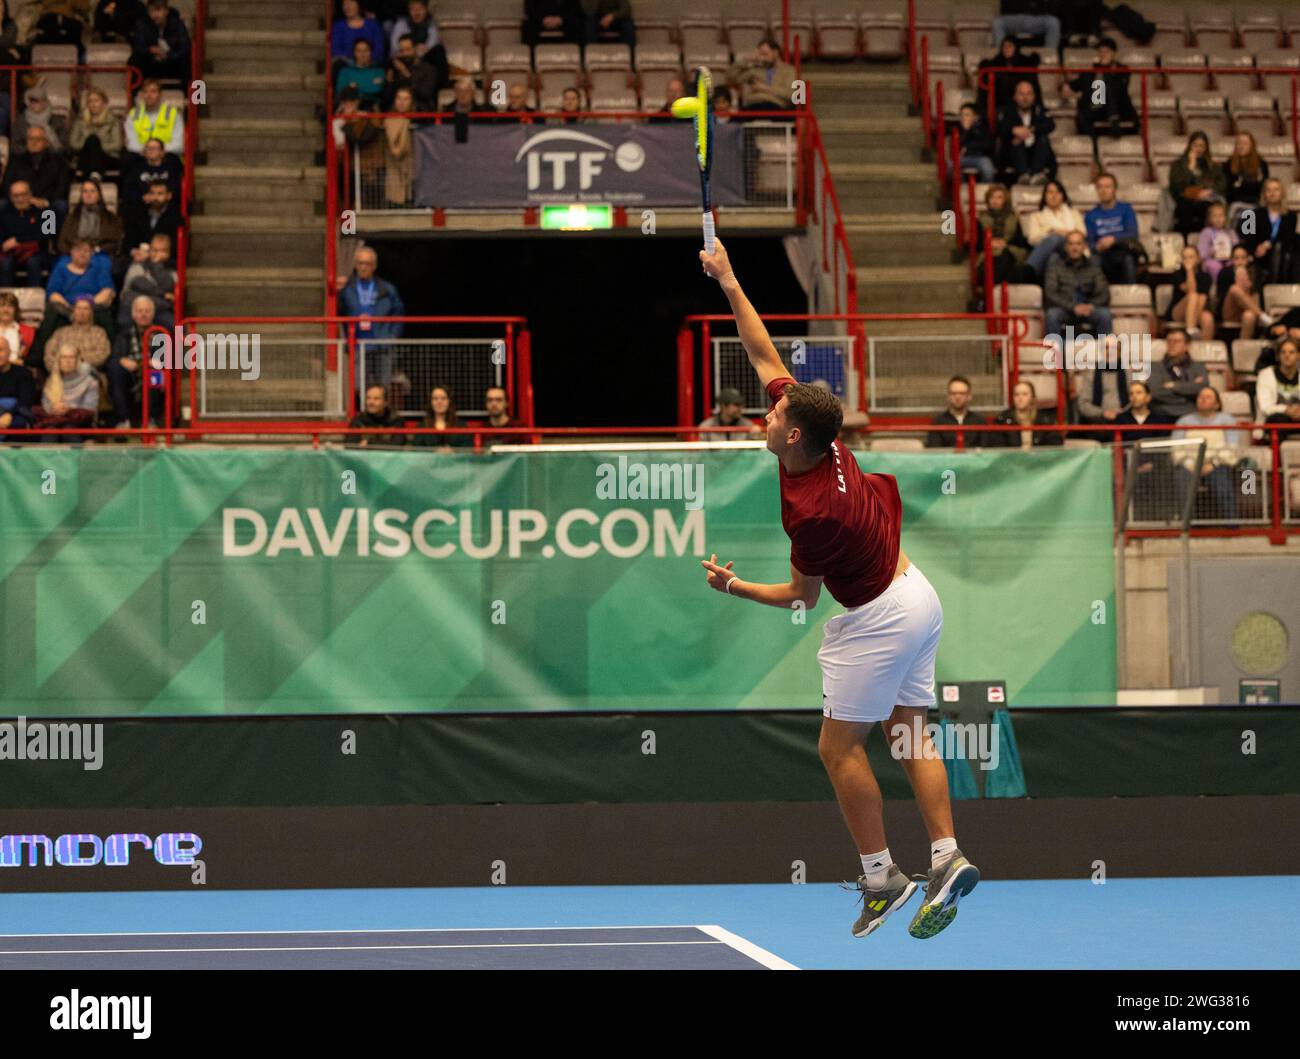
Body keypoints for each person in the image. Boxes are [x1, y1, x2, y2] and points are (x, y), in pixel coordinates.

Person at [697, 236, 979, 941]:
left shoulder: (811, 511)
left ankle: (883, 874)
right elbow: (764, 354)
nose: (763, 417)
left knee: (838, 748)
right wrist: (730, 280)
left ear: (792, 436)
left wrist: (734, 587)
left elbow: (801, 598)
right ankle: (946, 854)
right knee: (909, 727)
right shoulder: (821, 432)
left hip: (880, 616)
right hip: (920, 596)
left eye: (770, 418)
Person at [339, 245, 404, 399]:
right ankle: (364, 419)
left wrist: (392, 336)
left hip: (382, 344)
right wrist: (336, 291)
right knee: (359, 387)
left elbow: (399, 313)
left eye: (367, 264)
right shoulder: (347, 288)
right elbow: (339, 312)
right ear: (355, 265)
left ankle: (382, 421)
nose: (363, 267)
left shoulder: (387, 289)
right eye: (360, 263)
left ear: (374, 266)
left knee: (383, 387)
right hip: (358, 345)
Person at [1172, 387, 1246, 521]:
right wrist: (1189, 464)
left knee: (1221, 480)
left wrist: (1213, 464)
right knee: (1182, 479)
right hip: (1190, 465)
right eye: (1200, 396)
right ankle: (1186, 525)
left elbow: (1232, 448)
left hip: (1218, 464)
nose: (1203, 399)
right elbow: (1176, 447)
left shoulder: (1228, 420)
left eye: (1208, 397)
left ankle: (1232, 525)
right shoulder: (1184, 421)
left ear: (1217, 404)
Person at [106, 294, 164, 427]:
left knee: (154, 373)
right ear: (133, 314)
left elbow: (166, 360)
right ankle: (123, 420)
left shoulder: (162, 334)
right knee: (115, 367)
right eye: (140, 311)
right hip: (130, 373)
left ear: (152, 314)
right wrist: (121, 360)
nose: (143, 315)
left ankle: (151, 420)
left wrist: (151, 363)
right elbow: (115, 355)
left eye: (147, 311)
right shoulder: (123, 333)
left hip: (154, 373)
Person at [1060, 37, 1135, 138]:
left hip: (1118, 108)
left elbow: (1121, 88)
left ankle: (1113, 117)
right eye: (1100, 51)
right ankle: (1094, 145)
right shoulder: (1091, 72)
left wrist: (1106, 69)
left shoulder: (1122, 70)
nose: (1103, 54)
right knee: (1081, 116)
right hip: (1096, 107)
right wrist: (1065, 85)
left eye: (1106, 51)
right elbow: (1074, 85)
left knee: (1105, 83)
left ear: (1113, 53)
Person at [1043, 230, 1112, 338]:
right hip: (1065, 309)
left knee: (1105, 315)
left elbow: (1104, 294)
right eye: (1071, 244)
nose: (1074, 248)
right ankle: (1055, 353)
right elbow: (1050, 294)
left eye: (1078, 244)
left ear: (1084, 246)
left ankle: (1104, 353)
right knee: (1052, 315)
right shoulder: (1055, 267)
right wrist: (1073, 307)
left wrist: (1090, 306)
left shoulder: (1093, 267)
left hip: (1088, 309)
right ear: (1065, 247)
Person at [2, 126, 72, 229]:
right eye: (30, 139)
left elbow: (63, 187)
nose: (33, 142)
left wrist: (45, 201)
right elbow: (6, 186)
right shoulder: (16, 161)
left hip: (47, 202)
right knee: (2, 204)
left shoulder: (58, 161)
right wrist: (25, 199)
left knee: (60, 205)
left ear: (46, 142)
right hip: (19, 200)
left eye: (38, 139)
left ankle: (51, 242)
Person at [1237, 177, 1298, 287]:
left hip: (1282, 256)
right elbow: (1247, 238)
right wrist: (1257, 247)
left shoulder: (1291, 216)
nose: (1272, 193)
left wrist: (1268, 245)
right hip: (1259, 256)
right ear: (1264, 194)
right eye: (1268, 190)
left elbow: (1287, 239)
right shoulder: (1251, 214)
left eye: (1276, 190)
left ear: (1282, 193)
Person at [31, 345, 100, 441]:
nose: (68, 361)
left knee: (68, 429)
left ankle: (75, 455)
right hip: (53, 420)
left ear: (78, 359)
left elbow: (90, 408)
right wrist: (53, 408)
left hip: (80, 423)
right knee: (50, 431)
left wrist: (68, 409)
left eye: (71, 357)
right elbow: (45, 404)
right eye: (63, 357)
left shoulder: (90, 381)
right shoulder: (51, 380)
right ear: (59, 360)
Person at [1084, 172, 1139, 285]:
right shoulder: (1090, 215)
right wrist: (1097, 246)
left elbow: (1133, 233)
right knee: (1093, 261)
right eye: (1100, 187)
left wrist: (1113, 239)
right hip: (1102, 255)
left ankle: (1129, 296)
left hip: (1122, 251)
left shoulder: (1126, 209)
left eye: (1108, 187)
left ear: (1114, 189)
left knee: (1128, 259)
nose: (1104, 190)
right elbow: (1089, 241)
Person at [997, 80, 1056, 186]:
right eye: (1021, 94)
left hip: (1036, 153)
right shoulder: (1006, 111)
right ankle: (1023, 174)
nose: (1025, 98)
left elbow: (1050, 125)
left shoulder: (1040, 110)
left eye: (1029, 94)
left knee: (1043, 139)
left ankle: (1037, 174)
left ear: (1034, 96)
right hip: (1014, 155)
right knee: (1016, 140)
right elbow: (999, 128)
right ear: (1015, 96)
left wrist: (1030, 130)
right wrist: (1013, 130)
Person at [1169, 131, 1226, 236]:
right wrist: (1190, 167)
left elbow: (1222, 184)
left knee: (1209, 208)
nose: (1198, 149)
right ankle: (1185, 243)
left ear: (1206, 148)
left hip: (1205, 200)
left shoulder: (1212, 166)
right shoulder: (1178, 165)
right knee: (1185, 207)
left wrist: (1210, 191)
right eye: (1195, 145)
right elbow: (1177, 187)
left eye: (1202, 146)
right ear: (1190, 146)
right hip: (1184, 199)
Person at [1023, 179, 1084, 276]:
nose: (1054, 196)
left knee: (1055, 238)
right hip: (1049, 254)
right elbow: (1032, 239)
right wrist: (1053, 233)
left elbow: (1082, 233)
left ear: (1063, 196)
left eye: (1057, 192)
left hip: (1072, 247)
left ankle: (1028, 271)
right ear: (1044, 196)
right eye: (1050, 192)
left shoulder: (1074, 214)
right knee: (1053, 254)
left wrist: (1061, 234)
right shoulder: (1036, 216)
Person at [0, 181, 54, 289]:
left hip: (38, 253)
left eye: (23, 194)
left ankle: (34, 301)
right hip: (12, 254)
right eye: (16, 195)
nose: (20, 199)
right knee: (6, 264)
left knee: (33, 262)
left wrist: (18, 240)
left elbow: (46, 236)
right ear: (10, 197)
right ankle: (4, 301)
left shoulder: (47, 213)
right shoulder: (4, 213)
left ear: (30, 194)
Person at [1146, 327, 1208, 420]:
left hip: (1191, 415)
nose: (1172, 344)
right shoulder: (1154, 367)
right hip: (1163, 415)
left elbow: (1202, 388)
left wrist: (1174, 386)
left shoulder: (1198, 367)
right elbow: (1156, 392)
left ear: (1187, 346)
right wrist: (1188, 397)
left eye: (1176, 341)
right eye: (1169, 341)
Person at [977, 183, 1032, 284]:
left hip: (1009, 252)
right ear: (987, 200)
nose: (995, 200)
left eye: (999, 197)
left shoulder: (1013, 218)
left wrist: (1004, 244)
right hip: (988, 252)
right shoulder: (981, 219)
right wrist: (990, 243)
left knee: (1005, 256)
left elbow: (1019, 241)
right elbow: (976, 243)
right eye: (992, 197)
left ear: (1005, 200)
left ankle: (991, 291)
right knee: (993, 260)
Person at [59, 177, 125, 259]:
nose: (88, 195)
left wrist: (95, 250)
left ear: (99, 195)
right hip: (73, 255)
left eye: (92, 191)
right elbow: (62, 243)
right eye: (85, 191)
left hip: (99, 254)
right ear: (81, 195)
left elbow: (115, 243)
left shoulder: (111, 218)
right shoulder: (71, 218)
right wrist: (75, 252)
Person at [728, 36, 796, 114]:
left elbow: (791, 95)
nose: (762, 58)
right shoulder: (755, 70)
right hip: (753, 104)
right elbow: (732, 79)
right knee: (733, 120)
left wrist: (766, 88)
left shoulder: (789, 70)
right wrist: (744, 60)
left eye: (765, 54)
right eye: (760, 54)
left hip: (775, 105)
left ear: (776, 52)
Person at [975, 36, 1040, 117]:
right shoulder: (993, 63)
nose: (1006, 49)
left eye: (1009, 46)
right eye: (1004, 46)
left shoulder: (1026, 63)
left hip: (1021, 102)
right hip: (1000, 103)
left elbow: (1033, 85)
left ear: (1016, 47)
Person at [69, 86, 126, 178]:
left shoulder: (112, 121)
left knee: (93, 141)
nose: (93, 104)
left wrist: (97, 147)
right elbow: (73, 144)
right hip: (85, 157)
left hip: (107, 157)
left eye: (96, 101)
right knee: (92, 140)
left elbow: (117, 144)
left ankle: (90, 179)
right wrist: (89, 146)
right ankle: (95, 177)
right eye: (90, 101)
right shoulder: (80, 120)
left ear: (104, 103)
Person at [44, 297, 111, 374]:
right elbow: (48, 355)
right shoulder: (60, 332)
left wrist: (75, 361)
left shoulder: (99, 332)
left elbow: (102, 354)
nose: (82, 312)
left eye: (86, 309)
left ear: (91, 313)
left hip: (87, 373)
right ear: (73, 311)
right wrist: (62, 365)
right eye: (78, 308)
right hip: (59, 373)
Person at [131, 0, 191, 83]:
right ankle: (136, 92)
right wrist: (150, 50)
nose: (154, 15)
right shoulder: (142, 25)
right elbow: (138, 47)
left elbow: (185, 48)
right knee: (135, 60)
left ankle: (186, 93)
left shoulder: (177, 25)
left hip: (172, 64)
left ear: (166, 11)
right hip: (151, 63)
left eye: (158, 10)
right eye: (151, 11)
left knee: (186, 60)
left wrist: (168, 55)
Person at [991, 378, 1063, 447]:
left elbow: (1055, 447)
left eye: (1024, 394)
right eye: (1016, 394)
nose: (1020, 398)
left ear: (1032, 397)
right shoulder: (1002, 419)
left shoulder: (1045, 420)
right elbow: (997, 447)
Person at [1217, 246, 1269, 340]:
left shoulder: (1255, 271)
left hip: (1249, 310)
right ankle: (1263, 316)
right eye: (1236, 258)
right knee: (1234, 289)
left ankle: (1242, 348)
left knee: (1249, 316)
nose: (1240, 261)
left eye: (1243, 258)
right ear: (1232, 259)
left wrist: (1247, 285)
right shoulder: (1225, 272)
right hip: (1230, 310)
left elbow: (1257, 295)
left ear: (1248, 258)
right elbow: (1221, 297)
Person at [1074, 335, 1128, 425]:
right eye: (1106, 348)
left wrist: (1123, 412)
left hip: (1125, 420)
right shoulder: (1091, 374)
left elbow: (1135, 401)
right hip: (1098, 421)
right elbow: (1083, 405)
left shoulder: (1128, 373)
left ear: (1120, 352)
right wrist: (1103, 413)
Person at [1165, 244, 1215, 339]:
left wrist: (1193, 317)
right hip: (1178, 312)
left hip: (1197, 310)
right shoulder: (1177, 274)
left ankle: (1203, 350)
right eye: (1185, 257)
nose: (1188, 260)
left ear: (1198, 259)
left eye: (1191, 257)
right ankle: (1190, 331)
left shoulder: (1205, 276)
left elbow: (1203, 299)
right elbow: (1190, 290)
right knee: (1193, 295)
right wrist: (1189, 271)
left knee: (1208, 318)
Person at [124, 78, 185, 155]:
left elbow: (178, 145)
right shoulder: (134, 114)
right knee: (128, 159)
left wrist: (157, 151)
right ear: (142, 94)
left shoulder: (172, 114)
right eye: (145, 91)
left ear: (160, 94)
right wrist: (147, 151)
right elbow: (131, 143)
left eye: (153, 91)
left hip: (166, 155)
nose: (149, 95)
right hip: (141, 154)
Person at [120, 137, 184, 206]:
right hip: (142, 206)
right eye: (148, 148)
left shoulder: (171, 169)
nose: (151, 151)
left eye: (154, 148)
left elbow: (177, 188)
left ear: (162, 152)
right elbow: (129, 190)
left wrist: (167, 196)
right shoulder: (136, 170)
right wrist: (141, 198)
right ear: (144, 152)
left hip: (167, 205)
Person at [925, 375, 986, 446]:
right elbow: (935, 451)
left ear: (969, 396)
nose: (957, 397)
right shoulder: (937, 422)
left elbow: (985, 449)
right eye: (953, 393)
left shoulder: (980, 421)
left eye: (962, 393)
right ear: (948, 396)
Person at [1255, 337, 1300, 427]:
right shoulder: (1265, 375)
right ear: (1278, 355)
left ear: (1298, 355)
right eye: (1283, 352)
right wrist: (1286, 409)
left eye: (1291, 352)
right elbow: (1265, 407)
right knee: (1278, 419)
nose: (1287, 355)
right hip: (1276, 419)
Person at [412, 384, 471, 449]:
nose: (439, 402)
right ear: (431, 402)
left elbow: (468, 449)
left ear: (449, 401)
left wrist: (453, 451)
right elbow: (416, 450)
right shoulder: (421, 426)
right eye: (435, 399)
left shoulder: (461, 426)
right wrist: (434, 451)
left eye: (443, 398)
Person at [990, 1, 1060, 55]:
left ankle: (1049, 57)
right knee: (997, 22)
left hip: (1035, 17)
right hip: (1015, 17)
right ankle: (1001, 59)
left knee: (1053, 22)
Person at [0, 333, 36, 435]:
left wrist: (9, 415)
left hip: (16, 415)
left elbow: (26, 401)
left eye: (1, 350)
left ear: (9, 352)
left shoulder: (24, 374)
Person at [1225, 131, 1268, 214]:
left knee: (1249, 213)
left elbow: (1261, 188)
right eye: (1239, 143)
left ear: (1252, 146)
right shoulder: (1228, 164)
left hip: (1255, 203)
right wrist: (1249, 185)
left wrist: (1240, 185)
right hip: (1235, 203)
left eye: (1245, 143)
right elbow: (1229, 191)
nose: (1241, 146)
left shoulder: (1261, 164)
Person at [1197, 201, 1238, 286]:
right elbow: (1201, 253)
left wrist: (1233, 253)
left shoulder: (1230, 232)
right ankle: (1219, 291)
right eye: (1214, 216)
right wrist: (1210, 252)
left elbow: (1237, 248)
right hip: (1212, 260)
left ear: (1225, 217)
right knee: (1215, 267)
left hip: (1229, 260)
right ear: (1209, 219)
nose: (1218, 219)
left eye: (1221, 216)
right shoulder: (1206, 232)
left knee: (1235, 267)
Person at [336, 38, 387, 105]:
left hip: (371, 107)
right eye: (359, 51)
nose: (362, 54)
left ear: (370, 52)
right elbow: (340, 93)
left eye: (366, 50)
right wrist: (368, 87)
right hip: (349, 107)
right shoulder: (345, 72)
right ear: (354, 53)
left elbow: (376, 90)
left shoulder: (379, 71)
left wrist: (354, 89)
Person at [956, 103, 996, 184]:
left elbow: (987, 145)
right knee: (949, 167)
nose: (963, 118)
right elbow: (958, 146)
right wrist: (966, 131)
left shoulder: (983, 128)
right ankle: (962, 187)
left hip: (981, 158)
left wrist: (968, 148)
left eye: (967, 115)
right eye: (961, 115)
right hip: (964, 158)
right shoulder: (958, 129)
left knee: (988, 171)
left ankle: (984, 191)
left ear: (975, 117)